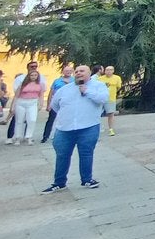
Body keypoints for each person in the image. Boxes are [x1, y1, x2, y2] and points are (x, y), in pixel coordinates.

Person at [41, 64, 108, 193]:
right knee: (62, 155)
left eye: (82, 71)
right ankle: (59, 183)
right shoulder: (65, 89)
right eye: (76, 71)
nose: (78, 73)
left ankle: (87, 179)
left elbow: (103, 99)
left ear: (89, 73)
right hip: (65, 129)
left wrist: (86, 91)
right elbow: (55, 105)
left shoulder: (98, 86)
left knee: (86, 154)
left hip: (88, 126)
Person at [5, 61, 47, 143]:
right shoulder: (21, 81)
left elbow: (41, 94)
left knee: (32, 120)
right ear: (28, 68)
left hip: (33, 102)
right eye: (32, 66)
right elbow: (16, 95)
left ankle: (28, 136)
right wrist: (13, 106)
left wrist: (40, 104)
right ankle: (16, 137)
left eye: (35, 66)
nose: (34, 68)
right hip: (21, 101)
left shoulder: (40, 83)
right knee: (19, 120)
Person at [42, 65, 75, 143]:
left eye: (70, 71)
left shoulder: (75, 81)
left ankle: (67, 135)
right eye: (66, 71)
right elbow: (51, 92)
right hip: (56, 103)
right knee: (51, 120)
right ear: (63, 72)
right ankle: (45, 136)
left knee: (67, 120)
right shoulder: (57, 81)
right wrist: (48, 104)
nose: (68, 72)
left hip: (69, 104)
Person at [97, 66, 123, 136]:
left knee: (111, 114)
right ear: (104, 71)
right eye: (107, 70)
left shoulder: (117, 78)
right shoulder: (100, 79)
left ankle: (111, 129)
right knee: (97, 114)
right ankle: (97, 128)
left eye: (110, 70)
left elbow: (118, 87)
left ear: (113, 71)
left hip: (111, 98)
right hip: (101, 99)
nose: (109, 71)